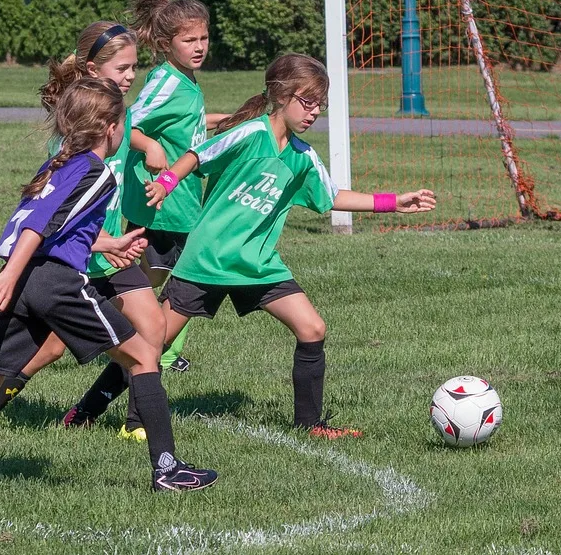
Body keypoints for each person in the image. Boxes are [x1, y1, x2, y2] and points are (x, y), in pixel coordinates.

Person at [0, 77, 218, 492]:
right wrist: (10, 275)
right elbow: (38, 225)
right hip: (53, 282)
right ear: (109, 128)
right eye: (124, 123)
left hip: (29, 278)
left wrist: (108, 242)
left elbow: (47, 228)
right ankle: (168, 469)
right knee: (143, 356)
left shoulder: (60, 165)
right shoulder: (97, 172)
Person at [144, 53, 437, 439]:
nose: (314, 112)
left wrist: (393, 202)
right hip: (208, 259)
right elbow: (199, 154)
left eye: (320, 104)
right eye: (307, 101)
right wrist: (166, 183)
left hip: (257, 264)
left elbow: (331, 196)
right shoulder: (250, 133)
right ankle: (102, 411)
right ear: (281, 96)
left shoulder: (302, 157)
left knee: (313, 328)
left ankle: (310, 425)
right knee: (153, 340)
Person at [0, 23, 167, 442]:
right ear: (93, 70)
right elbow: (52, 217)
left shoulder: (118, 116)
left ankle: (137, 424)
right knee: (50, 347)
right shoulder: (71, 137)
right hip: (72, 254)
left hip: (109, 246)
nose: (132, 76)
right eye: (123, 68)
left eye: (135, 67)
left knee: (152, 327)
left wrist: (148, 146)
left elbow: (126, 134)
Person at [120, 0, 228, 383]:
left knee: (170, 281)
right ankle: (146, 348)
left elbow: (185, 125)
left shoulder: (186, 79)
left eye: (203, 37)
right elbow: (121, 122)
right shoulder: (166, 81)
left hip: (181, 202)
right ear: (167, 44)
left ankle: (153, 347)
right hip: (161, 203)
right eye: (190, 40)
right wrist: (148, 144)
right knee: (161, 284)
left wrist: (225, 123)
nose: (200, 46)